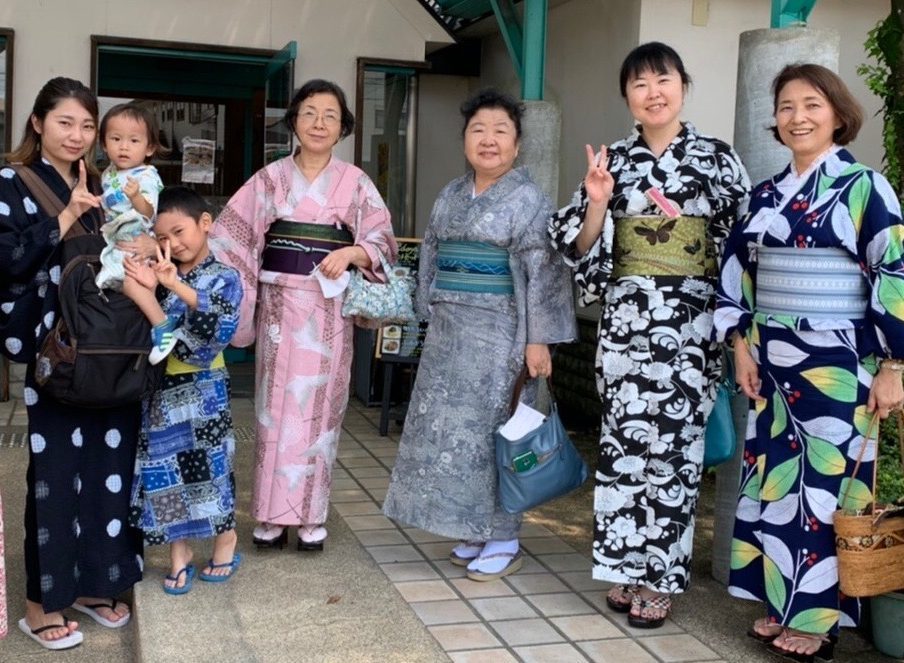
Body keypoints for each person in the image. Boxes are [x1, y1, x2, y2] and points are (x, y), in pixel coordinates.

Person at [548, 42, 750, 627]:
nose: (653, 92)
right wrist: (597, 203)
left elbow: (739, 246)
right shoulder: (613, 162)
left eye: (663, 80)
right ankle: (625, 567)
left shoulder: (715, 157)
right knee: (623, 451)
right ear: (627, 97)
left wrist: (737, 328)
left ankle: (658, 580)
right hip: (625, 325)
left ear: (683, 86)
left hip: (690, 326)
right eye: (639, 84)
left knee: (673, 455)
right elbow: (577, 245)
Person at [713, 63, 904, 662]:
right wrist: (740, 344)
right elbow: (736, 273)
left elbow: (894, 273)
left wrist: (894, 365)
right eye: (788, 106)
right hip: (770, 361)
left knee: (822, 486)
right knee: (774, 485)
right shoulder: (765, 195)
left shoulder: (865, 187)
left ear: (838, 113)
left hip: (835, 362)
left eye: (812, 105)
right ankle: (781, 604)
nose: (798, 117)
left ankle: (818, 621)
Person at [382, 89, 576, 582]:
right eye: (478, 130)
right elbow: (431, 254)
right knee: (455, 434)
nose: (488, 140)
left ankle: (504, 534)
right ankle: (474, 527)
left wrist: (540, 339)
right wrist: (423, 307)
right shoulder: (450, 194)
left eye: (500, 131)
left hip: (502, 331)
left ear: (517, 143)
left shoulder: (530, 200)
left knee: (498, 430)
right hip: (449, 331)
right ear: (465, 139)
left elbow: (544, 273)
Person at [210, 79, 397, 551]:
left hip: (328, 311)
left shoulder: (356, 182)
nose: (319, 123)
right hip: (278, 307)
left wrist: (354, 251)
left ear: (342, 128)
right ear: (294, 120)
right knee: (274, 410)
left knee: (321, 412)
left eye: (330, 115)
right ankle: (271, 517)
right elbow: (231, 237)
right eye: (310, 112)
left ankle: (312, 516)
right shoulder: (269, 179)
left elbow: (382, 242)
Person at [0, 77, 140, 650]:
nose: (78, 135)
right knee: (55, 476)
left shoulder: (108, 183)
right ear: (37, 124)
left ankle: (94, 582)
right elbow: (6, 260)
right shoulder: (10, 183)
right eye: (66, 123)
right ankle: (41, 602)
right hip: (54, 351)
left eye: (87, 126)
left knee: (111, 464)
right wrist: (64, 218)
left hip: (108, 350)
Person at [122, 186, 243, 594]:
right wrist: (149, 284)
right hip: (160, 391)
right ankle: (180, 553)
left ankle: (225, 539)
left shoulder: (224, 276)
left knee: (211, 467)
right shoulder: (158, 272)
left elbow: (217, 333)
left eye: (179, 232)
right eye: (163, 237)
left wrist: (172, 288)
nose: (172, 244)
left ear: (205, 224)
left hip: (205, 389)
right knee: (164, 471)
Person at [94, 103, 164, 297]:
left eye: (134, 141)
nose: (124, 146)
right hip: (114, 238)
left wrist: (135, 197)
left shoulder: (146, 176)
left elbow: (149, 212)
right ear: (104, 145)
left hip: (134, 238)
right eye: (116, 139)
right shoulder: (109, 172)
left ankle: (160, 322)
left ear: (149, 148)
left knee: (133, 283)